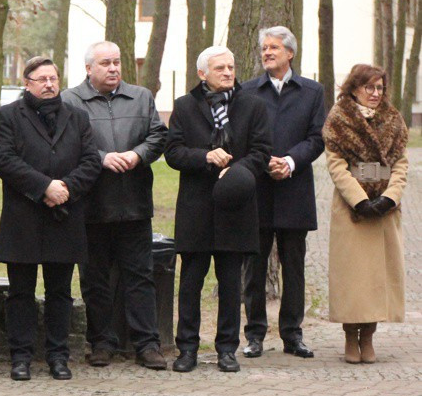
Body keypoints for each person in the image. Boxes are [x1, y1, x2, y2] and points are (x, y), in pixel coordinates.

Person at [0, 56, 101, 381]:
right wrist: (44, 187)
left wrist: (66, 188)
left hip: (64, 215)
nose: (50, 84)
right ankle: (20, 356)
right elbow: (5, 160)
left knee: (60, 291)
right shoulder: (7, 116)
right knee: (20, 292)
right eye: (42, 79)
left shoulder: (77, 117)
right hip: (23, 216)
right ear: (27, 84)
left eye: (53, 78)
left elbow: (91, 161)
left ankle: (58, 356)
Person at [62, 41, 168, 370]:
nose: (113, 68)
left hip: (134, 204)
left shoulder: (141, 97)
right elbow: (66, 143)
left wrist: (137, 155)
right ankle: (101, 342)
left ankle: (147, 344)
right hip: (92, 205)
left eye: (117, 62)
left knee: (140, 276)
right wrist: (101, 158)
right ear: (88, 69)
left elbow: (158, 136)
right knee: (95, 278)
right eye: (105, 63)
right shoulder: (70, 100)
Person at [165, 46, 271, 374]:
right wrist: (205, 157)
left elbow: (262, 152)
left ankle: (227, 349)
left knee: (230, 284)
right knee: (190, 283)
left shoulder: (253, 105)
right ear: (202, 74)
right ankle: (187, 349)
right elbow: (173, 153)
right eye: (220, 68)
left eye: (231, 67)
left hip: (236, 208)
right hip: (196, 208)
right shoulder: (184, 106)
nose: (227, 73)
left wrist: (236, 172)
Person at [241, 27, 325, 360]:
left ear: (290, 53)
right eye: (264, 47)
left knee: (294, 267)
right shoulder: (248, 91)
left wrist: (290, 162)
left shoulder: (312, 92)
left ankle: (292, 334)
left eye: (274, 47)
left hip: (295, 189)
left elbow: (317, 138)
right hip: (258, 189)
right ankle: (254, 334)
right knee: (254, 267)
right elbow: (241, 136)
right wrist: (264, 162)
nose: (267, 52)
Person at [322, 64, 408, 365]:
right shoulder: (339, 120)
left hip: (385, 209)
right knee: (352, 277)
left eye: (379, 88)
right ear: (355, 88)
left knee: (377, 277)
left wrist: (389, 198)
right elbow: (336, 166)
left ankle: (369, 335)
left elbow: (401, 164)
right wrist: (359, 201)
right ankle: (350, 335)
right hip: (352, 209)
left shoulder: (393, 120)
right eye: (369, 87)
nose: (375, 93)